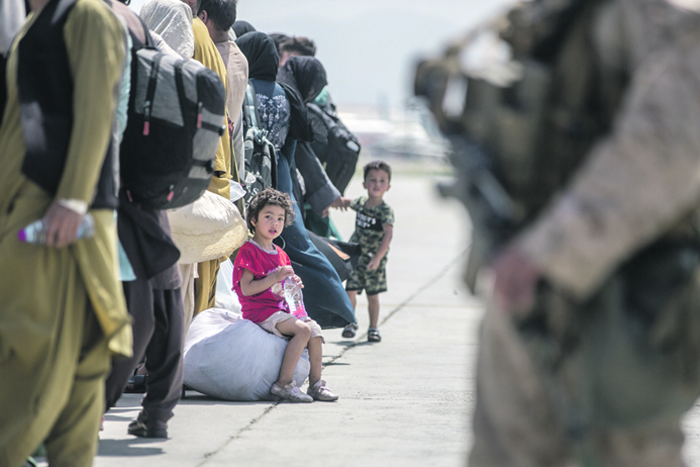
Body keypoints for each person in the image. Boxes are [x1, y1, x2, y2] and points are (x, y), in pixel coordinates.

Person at [415, 0, 700, 465]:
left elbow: (670, 142)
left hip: (613, 307)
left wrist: (551, 251)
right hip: (527, 288)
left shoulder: (654, 13)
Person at [0, 0, 133, 463]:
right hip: (49, 219)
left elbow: (97, 108)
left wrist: (72, 200)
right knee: (78, 376)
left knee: (32, 375)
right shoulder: (39, 22)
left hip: (52, 221)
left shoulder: (87, 16)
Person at [104, 0, 186, 440]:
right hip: (150, 176)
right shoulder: (136, 23)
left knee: (133, 299)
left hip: (115, 178)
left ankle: (94, 403)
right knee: (162, 287)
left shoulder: (100, 21)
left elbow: (110, 111)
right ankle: (157, 411)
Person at [235, 31, 356, 329]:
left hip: (247, 181)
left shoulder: (244, 89)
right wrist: (284, 188)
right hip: (280, 182)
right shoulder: (287, 95)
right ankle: (339, 308)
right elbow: (291, 150)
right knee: (299, 248)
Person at [233, 188, 338, 402]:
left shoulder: (280, 254)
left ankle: (316, 384)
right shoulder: (249, 251)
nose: (275, 223)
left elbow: (284, 284)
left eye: (280, 218)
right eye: (268, 217)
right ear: (253, 220)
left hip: (281, 310)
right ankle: (283, 384)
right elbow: (246, 289)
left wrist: (293, 283)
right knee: (302, 331)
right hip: (261, 312)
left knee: (315, 332)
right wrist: (274, 278)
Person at [197, 0, 248, 187]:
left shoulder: (204, 55)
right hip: (227, 162)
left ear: (203, 17)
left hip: (206, 161)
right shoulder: (240, 58)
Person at [343, 161, 394, 342]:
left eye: (382, 181)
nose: (377, 184)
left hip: (374, 260)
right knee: (350, 291)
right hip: (356, 258)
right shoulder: (362, 203)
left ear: (388, 186)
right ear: (365, 184)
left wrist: (379, 257)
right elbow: (347, 202)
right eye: (372, 180)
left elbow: (388, 234)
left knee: (373, 296)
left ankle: (373, 328)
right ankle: (350, 322)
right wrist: (332, 203)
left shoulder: (385, 211)